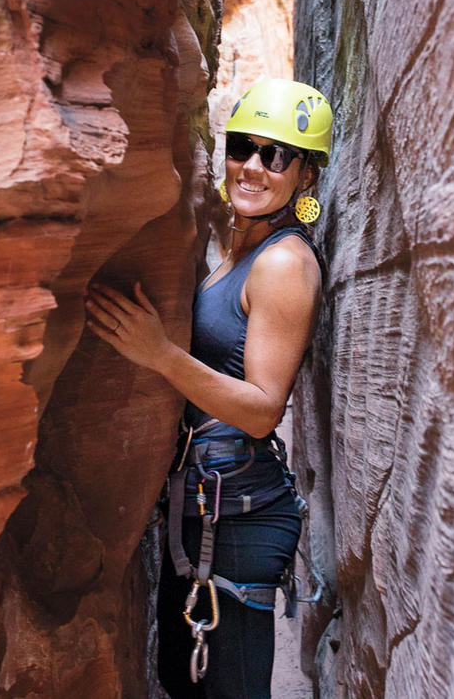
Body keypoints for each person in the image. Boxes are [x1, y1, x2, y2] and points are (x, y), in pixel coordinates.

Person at [84, 79, 332, 698]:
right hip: (202, 505)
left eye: (276, 155)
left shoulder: (283, 263)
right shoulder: (232, 250)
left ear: (305, 175)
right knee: (181, 677)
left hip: (240, 516)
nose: (252, 166)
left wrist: (159, 354)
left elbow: (261, 409)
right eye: (242, 147)